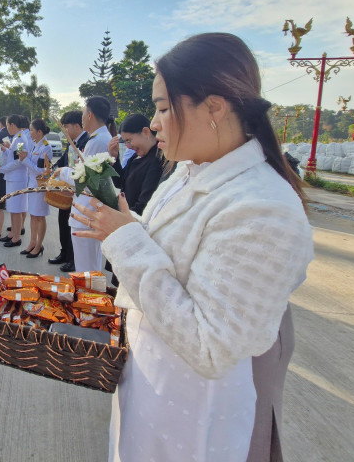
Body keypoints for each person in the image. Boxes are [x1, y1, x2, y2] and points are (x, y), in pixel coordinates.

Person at [70, 33, 313, 462]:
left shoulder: (264, 208)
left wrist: (124, 238)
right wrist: (126, 224)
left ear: (214, 107)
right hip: (153, 381)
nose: (154, 123)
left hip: (195, 412)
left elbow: (210, 345)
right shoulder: (188, 172)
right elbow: (171, 252)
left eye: (164, 108)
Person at [56, 96, 114, 272]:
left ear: (89, 115)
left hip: (86, 209)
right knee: (90, 266)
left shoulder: (96, 141)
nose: (81, 118)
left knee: (86, 269)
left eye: (83, 113)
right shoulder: (100, 137)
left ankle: (88, 291)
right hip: (89, 207)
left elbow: (84, 177)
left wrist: (63, 171)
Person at [49, 110, 88, 267]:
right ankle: (64, 253)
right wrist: (54, 169)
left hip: (77, 190)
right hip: (66, 189)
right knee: (63, 222)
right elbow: (63, 160)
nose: (64, 130)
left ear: (77, 126)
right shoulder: (73, 141)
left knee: (72, 224)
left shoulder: (86, 142)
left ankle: (72, 259)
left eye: (66, 127)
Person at [107, 114, 164, 215]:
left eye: (129, 140)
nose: (128, 146)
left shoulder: (157, 159)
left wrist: (122, 218)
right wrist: (114, 158)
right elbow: (120, 183)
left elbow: (144, 204)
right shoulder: (137, 156)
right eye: (125, 142)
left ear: (146, 132)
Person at [0, 114, 32, 248]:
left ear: (12, 125)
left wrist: (3, 169)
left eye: (7, 126)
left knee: (16, 209)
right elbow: (14, 155)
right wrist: (5, 150)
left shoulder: (20, 138)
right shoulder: (17, 137)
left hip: (16, 178)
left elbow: (18, 161)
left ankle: (16, 237)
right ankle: (13, 233)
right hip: (13, 177)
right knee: (12, 208)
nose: (7, 129)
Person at [19, 118, 52, 258]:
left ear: (39, 132)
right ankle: (32, 242)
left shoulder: (46, 147)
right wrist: (25, 157)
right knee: (33, 215)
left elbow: (40, 170)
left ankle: (39, 245)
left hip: (40, 186)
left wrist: (25, 160)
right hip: (32, 185)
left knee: (39, 216)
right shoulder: (35, 144)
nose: (30, 132)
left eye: (32, 130)